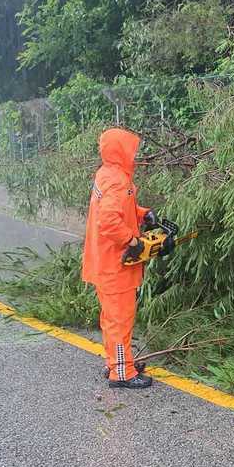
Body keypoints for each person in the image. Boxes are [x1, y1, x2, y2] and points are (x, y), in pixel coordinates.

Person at [81, 127, 154, 389]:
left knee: (111, 318)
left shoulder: (107, 173)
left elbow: (118, 207)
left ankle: (115, 361)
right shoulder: (117, 180)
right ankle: (122, 372)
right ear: (120, 151)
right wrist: (133, 242)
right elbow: (109, 221)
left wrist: (142, 214)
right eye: (131, 150)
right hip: (116, 264)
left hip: (105, 262)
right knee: (120, 320)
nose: (135, 155)